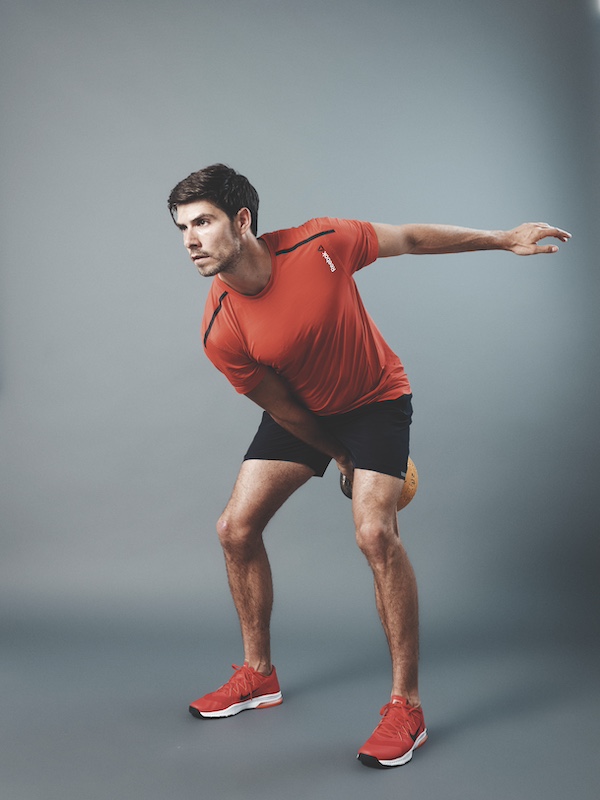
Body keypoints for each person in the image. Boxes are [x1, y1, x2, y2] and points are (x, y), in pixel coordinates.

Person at [167, 163, 570, 769]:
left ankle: (406, 707)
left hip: (376, 400)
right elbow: (281, 407)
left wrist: (503, 237)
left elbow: (408, 238)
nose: (190, 239)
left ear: (242, 220)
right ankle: (258, 675)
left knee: (375, 533)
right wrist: (339, 456)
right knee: (235, 528)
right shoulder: (220, 327)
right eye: (181, 228)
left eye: (203, 222)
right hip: (307, 414)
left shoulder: (321, 242)